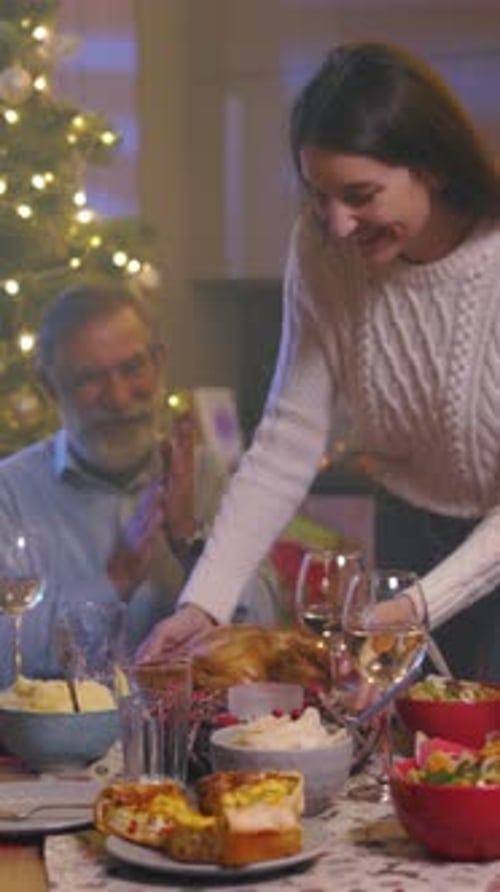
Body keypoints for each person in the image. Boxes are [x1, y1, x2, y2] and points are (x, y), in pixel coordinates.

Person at [139, 41, 500, 682]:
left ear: (433, 168)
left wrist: (420, 606)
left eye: (360, 194)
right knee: (406, 756)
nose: (336, 224)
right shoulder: (322, 250)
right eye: (318, 195)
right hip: (409, 537)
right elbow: (286, 441)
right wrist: (205, 602)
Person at [0, 282, 274, 688]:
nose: (120, 397)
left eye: (132, 369)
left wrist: (188, 539)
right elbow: (7, 659)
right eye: (90, 378)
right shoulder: (12, 492)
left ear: (159, 361)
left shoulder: (205, 474)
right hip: (56, 748)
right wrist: (114, 581)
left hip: (188, 739)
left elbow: (266, 627)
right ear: (49, 387)